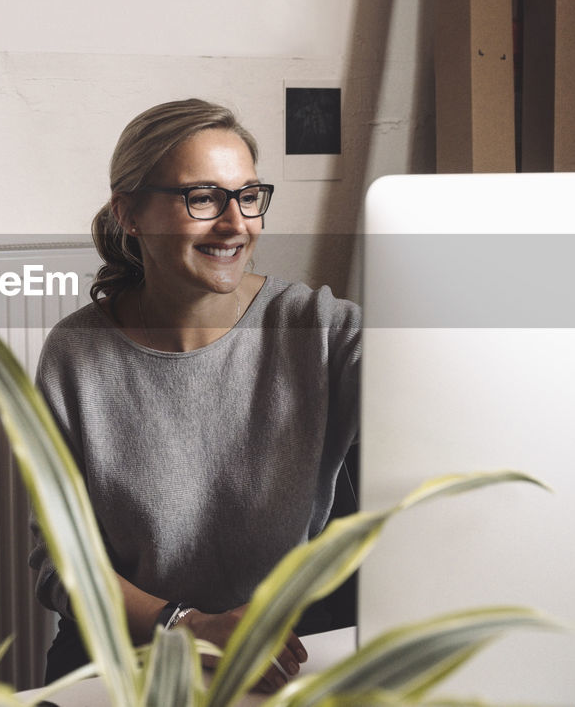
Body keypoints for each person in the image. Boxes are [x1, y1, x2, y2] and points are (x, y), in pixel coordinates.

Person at [28, 98, 361, 692]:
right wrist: (187, 625)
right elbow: (63, 565)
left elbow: (442, 399)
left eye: (249, 195)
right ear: (128, 214)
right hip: (136, 642)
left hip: (283, 645)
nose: (236, 223)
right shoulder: (74, 353)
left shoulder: (322, 327)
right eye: (202, 198)